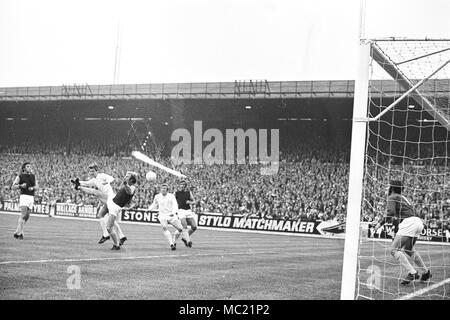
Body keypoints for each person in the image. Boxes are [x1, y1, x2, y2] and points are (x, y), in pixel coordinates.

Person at [372, 181, 432, 285]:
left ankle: (412, 272)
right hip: (418, 222)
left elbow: (391, 213)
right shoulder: (404, 198)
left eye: (389, 186)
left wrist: (379, 224)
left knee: (393, 250)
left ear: (392, 188)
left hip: (409, 222)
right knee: (408, 250)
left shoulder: (392, 197)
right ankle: (426, 272)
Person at [71, 162, 127, 245]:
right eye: (90, 171)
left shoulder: (102, 176)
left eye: (92, 171)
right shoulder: (94, 180)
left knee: (95, 194)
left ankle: (106, 235)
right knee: (105, 217)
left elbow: (111, 178)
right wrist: (77, 182)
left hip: (110, 197)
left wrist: (106, 181)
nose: (91, 173)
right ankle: (122, 236)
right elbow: (87, 183)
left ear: (97, 170)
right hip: (107, 199)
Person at [106, 171, 138, 250]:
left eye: (127, 176)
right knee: (98, 193)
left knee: (109, 228)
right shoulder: (125, 185)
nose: (125, 177)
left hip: (115, 207)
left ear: (131, 180)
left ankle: (116, 245)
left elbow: (129, 192)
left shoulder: (132, 187)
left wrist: (126, 185)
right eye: (126, 176)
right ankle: (121, 237)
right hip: (112, 202)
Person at [149, 183, 185, 251]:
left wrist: (173, 212)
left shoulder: (171, 196)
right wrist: (149, 209)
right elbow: (154, 204)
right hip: (162, 216)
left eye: (165, 188)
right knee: (164, 227)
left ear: (167, 190)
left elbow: (175, 205)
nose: (163, 189)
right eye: (162, 188)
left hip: (171, 215)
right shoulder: (157, 196)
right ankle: (171, 244)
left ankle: (174, 241)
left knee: (180, 229)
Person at [12, 162, 38, 240]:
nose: (29, 168)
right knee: (23, 214)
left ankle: (17, 232)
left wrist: (33, 188)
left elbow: (37, 186)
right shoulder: (20, 176)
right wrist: (20, 186)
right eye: (27, 166)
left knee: (27, 216)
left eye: (30, 166)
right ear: (24, 168)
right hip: (24, 196)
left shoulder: (33, 176)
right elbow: (13, 186)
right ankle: (21, 234)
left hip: (31, 197)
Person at [174, 180, 197, 247]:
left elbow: (194, 201)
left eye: (184, 184)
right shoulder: (176, 193)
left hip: (188, 211)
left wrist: (190, 203)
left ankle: (184, 238)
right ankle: (188, 241)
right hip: (181, 210)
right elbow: (171, 200)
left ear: (185, 186)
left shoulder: (188, 193)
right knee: (184, 225)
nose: (182, 185)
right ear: (179, 185)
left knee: (194, 227)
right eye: (181, 184)